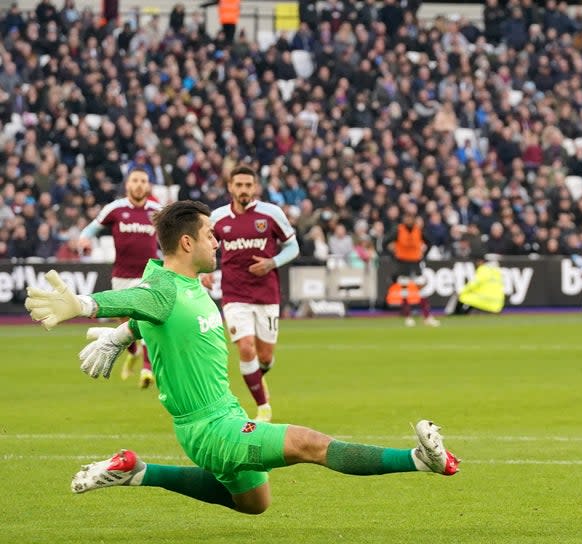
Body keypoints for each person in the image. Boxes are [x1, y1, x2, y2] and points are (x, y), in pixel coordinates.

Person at [24, 201, 459, 516]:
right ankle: (420, 460)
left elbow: (151, 315)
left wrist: (121, 335)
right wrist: (82, 306)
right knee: (310, 444)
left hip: (222, 413)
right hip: (210, 428)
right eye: (212, 234)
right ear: (188, 241)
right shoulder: (163, 288)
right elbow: (138, 299)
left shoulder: (188, 286)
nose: (219, 240)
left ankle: (136, 471)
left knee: (255, 504)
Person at [208, 165, 299, 423]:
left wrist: (271, 263)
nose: (244, 190)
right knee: (246, 348)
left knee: (266, 357)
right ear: (230, 187)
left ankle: (257, 379)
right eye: (239, 185)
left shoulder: (271, 214)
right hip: (234, 295)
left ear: (255, 187)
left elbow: (293, 247)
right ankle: (263, 407)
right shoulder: (217, 218)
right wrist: (203, 271)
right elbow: (205, 247)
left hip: (267, 295)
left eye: (248, 185)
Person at [76, 166, 162, 389]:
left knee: (145, 322)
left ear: (148, 185)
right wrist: (84, 240)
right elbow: (90, 230)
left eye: (143, 180)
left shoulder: (157, 210)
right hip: (122, 277)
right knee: (125, 325)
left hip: (149, 275)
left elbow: (172, 235)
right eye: (135, 180)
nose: (139, 184)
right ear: (128, 184)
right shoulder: (115, 209)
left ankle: (147, 368)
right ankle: (133, 353)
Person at [385, 210, 440, 327]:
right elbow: (385, 242)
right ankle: (408, 316)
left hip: (415, 262)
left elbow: (429, 243)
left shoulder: (418, 230)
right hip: (402, 263)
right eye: (407, 218)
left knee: (421, 290)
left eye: (411, 218)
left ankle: (427, 316)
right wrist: (393, 256)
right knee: (404, 291)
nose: (408, 220)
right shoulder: (398, 230)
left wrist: (423, 256)